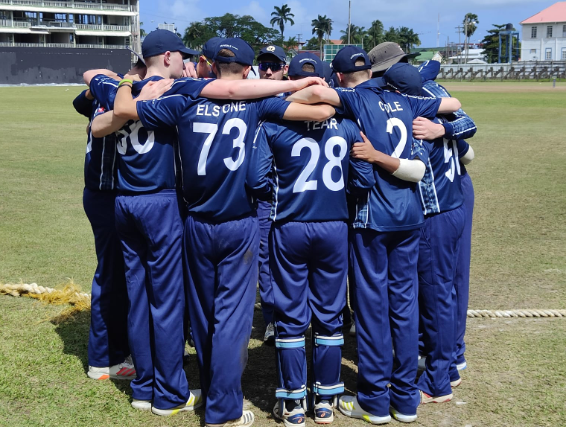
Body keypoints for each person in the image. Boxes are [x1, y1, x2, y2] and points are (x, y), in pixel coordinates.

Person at [112, 37, 334, 427]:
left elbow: (127, 110)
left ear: (209, 66)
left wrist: (136, 83)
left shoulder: (184, 96)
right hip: (240, 223)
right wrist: (298, 85)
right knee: (231, 321)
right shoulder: (258, 103)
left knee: (203, 315)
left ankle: (210, 390)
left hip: (196, 222)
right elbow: (322, 104)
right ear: (248, 70)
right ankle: (223, 408)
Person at [287, 46, 461, 424]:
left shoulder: (353, 99)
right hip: (411, 217)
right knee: (403, 305)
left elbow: (315, 95)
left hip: (373, 220)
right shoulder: (405, 101)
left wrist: (287, 95)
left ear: (339, 75)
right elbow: (451, 105)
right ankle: (405, 399)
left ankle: (374, 399)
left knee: (372, 310)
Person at [247, 52, 373, 426]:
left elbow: (256, 180)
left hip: (290, 227)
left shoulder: (272, 125)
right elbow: (363, 181)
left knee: (290, 315)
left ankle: (293, 404)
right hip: (334, 227)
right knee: (330, 314)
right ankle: (325, 400)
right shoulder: (348, 124)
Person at [379, 62, 475, 404]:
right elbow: (468, 142)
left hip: (435, 217)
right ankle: (447, 366)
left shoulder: (415, 120)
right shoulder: (436, 101)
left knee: (436, 300)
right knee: (444, 295)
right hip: (454, 208)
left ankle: (438, 380)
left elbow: (414, 170)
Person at [70, 56, 145, 381]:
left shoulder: (110, 87)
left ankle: (122, 348)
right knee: (112, 276)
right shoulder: (122, 91)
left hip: (106, 194)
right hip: (106, 194)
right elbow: (90, 78)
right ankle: (105, 360)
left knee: (118, 275)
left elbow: (79, 100)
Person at [416, 57, 477, 374]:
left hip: (444, 195)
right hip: (456, 185)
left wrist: (441, 128)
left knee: (442, 280)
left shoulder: (415, 95)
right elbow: (433, 65)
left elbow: (468, 126)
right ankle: (450, 349)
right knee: (449, 278)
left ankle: (448, 355)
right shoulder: (428, 84)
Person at [255, 43, 288, 345]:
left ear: (284, 69)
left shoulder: (295, 100)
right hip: (262, 195)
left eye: (273, 66)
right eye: (263, 65)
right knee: (265, 259)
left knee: (294, 258)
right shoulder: (249, 96)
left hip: (293, 194)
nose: (267, 71)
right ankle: (272, 319)